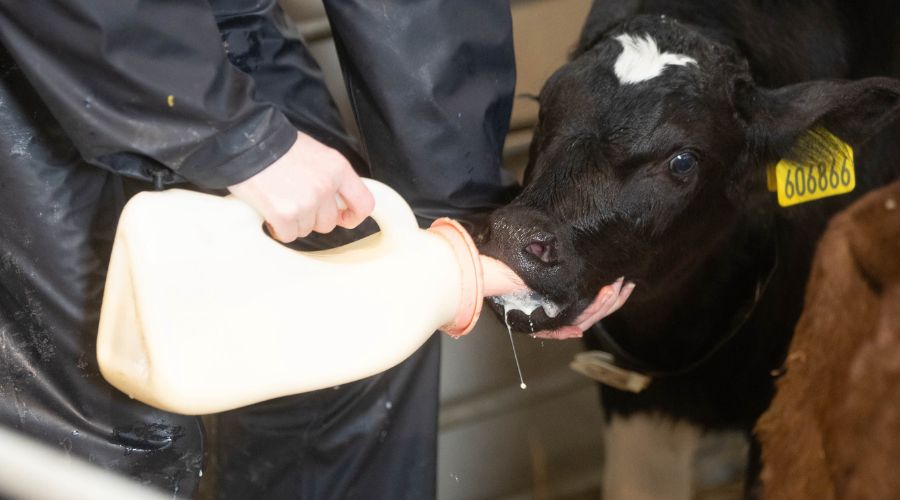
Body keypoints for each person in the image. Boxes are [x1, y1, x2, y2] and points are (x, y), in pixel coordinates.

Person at [0, 0, 517, 498]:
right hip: (29, 44)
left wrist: (462, 220)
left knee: (353, 334)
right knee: (96, 437)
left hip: (214, 20)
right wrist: (237, 137)